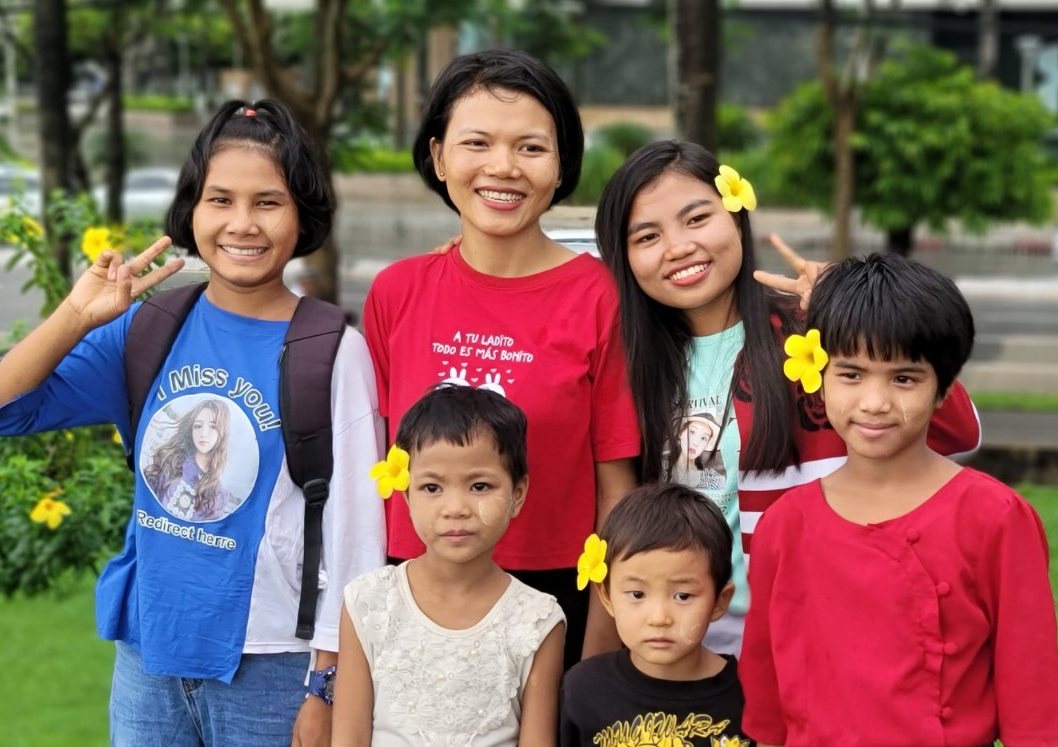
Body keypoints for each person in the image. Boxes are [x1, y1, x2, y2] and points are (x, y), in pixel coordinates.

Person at [0, 99, 386, 746]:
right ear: (192, 209)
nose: (242, 223)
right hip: (148, 650)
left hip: (274, 664)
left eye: (268, 202)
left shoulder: (330, 347)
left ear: (301, 215)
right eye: (220, 199)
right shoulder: (147, 327)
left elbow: (356, 530)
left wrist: (328, 681)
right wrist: (75, 313)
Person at [594, 140, 981, 655]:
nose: (678, 246)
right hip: (676, 635)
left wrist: (850, 319)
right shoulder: (627, 357)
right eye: (648, 236)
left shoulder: (807, 332)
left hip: (811, 625)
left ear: (736, 216)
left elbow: (959, 431)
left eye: (696, 219)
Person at [363, 48, 639, 669]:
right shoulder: (396, 292)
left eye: (530, 148)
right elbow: (375, 465)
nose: (503, 168)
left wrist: (599, 644)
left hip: (551, 599)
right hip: (413, 593)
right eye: (477, 143)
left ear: (563, 162)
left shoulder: (600, 297)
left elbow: (616, 486)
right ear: (438, 157)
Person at [739, 253, 1058, 746]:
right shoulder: (785, 525)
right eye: (852, 374)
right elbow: (765, 694)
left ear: (943, 390)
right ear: (819, 378)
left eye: (904, 378)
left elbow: (1034, 708)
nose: (874, 402)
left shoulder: (995, 518)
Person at [333, 385, 565, 744]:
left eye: (479, 486)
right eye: (431, 488)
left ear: (517, 494)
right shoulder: (369, 603)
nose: (455, 507)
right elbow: (348, 738)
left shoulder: (536, 620)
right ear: (406, 493)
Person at [559, 482, 751, 745]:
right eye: (637, 594)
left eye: (682, 596)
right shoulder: (583, 689)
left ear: (720, 601)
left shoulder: (749, 696)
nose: (659, 617)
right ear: (606, 596)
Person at [143, 397, 234, 522]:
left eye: (213, 427)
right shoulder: (170, 461)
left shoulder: (218, 495)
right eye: (198, 426)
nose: (203, 433)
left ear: (222, 433)